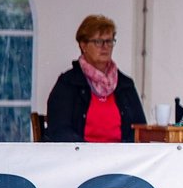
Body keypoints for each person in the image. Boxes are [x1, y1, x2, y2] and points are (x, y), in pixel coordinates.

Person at [45, 14, 147, 142]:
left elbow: (140, 130)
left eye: (109, 41)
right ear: (83, 45)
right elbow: (59, 130)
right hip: (81, 158)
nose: (105, 47)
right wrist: (90, 153)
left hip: (121, 159)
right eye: (98, 42)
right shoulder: (68, 83)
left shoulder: (125, 85)